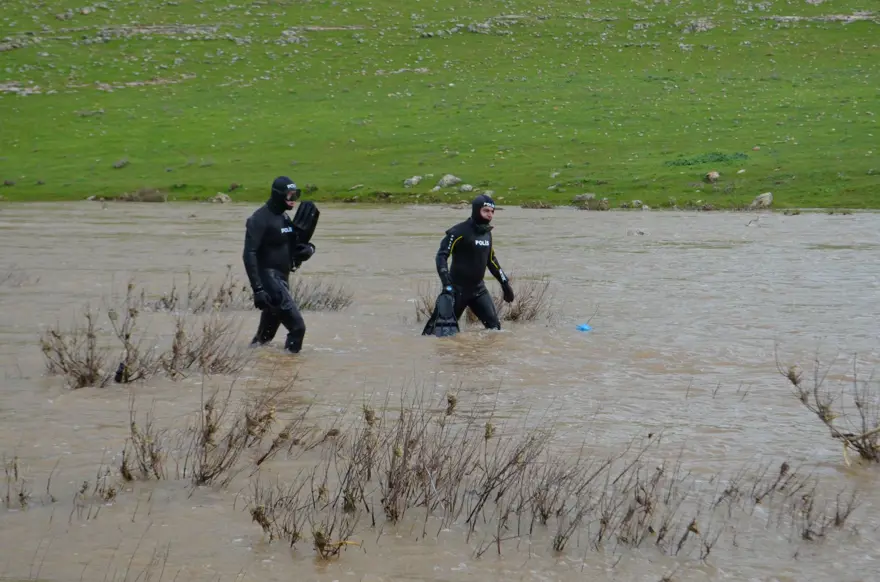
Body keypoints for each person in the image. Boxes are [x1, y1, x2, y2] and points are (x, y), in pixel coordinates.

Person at [242, 176, 316, 353]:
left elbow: (294, 248)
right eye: (289, 195)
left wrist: (309, 250)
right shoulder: (259, 219)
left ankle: (250, 364)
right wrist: (258, 290)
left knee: (263, 339)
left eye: (295, 195)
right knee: (297, 328)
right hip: (269, 281)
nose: (293, 200)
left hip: (282, 280)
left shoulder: (285, 219)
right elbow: (248, 254)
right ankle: (290, 371)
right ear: (277, 195)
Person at [422, 193, 515, 334]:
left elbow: (491, 260)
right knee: (438, 334)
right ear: (476, 210)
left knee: (495, 330)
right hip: (455, 291)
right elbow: (441, 256)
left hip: (479, 291)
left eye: (492, 212)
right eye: (486, 211)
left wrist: (505, 283)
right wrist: (446, 284)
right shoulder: (458, 231)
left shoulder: (487, 234)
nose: (490, 215)